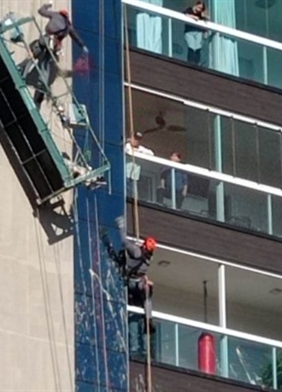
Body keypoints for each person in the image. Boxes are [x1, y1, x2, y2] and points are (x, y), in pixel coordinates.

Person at [112, 216, 156, 362]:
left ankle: (135, 346)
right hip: (138, 283)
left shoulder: (137, 252)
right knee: (147, 295)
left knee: (134, 312)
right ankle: (148, 318)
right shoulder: (149, 259)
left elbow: (124, 242)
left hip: (130, 282)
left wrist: (121, 226)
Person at [31, 4, 89, 107]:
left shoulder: (55, 15)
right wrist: (83, 46)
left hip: (44, 42)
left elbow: (41, 11)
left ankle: (32, 57)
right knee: (47, 72)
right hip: (52, 48)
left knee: (36, 51)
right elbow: (76, 37)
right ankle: (39, 94)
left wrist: (47, 6)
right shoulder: (68, 27)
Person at [125, 133, 154, 199]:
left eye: (138, 140)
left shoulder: (141, 148)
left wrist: (139, 151)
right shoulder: (127, 145)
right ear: (131, 138)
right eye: (134, 139)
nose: (135, 141)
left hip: (134, 176)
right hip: (126, 173)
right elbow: (126, 150)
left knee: (133, 194)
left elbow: (151, 153)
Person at [183, 0, 209, 65]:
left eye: (201, 9)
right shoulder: (189, 9)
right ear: (196, 5)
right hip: (189, 32)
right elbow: (185, 14)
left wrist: (204, 16)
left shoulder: (200, 14)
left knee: (198, 48)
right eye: (199, 7)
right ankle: (190, 62)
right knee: (191, 47)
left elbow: (206, 22)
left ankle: (196, 63)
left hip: (198, 32)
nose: (199, 10)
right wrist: (193, 17)